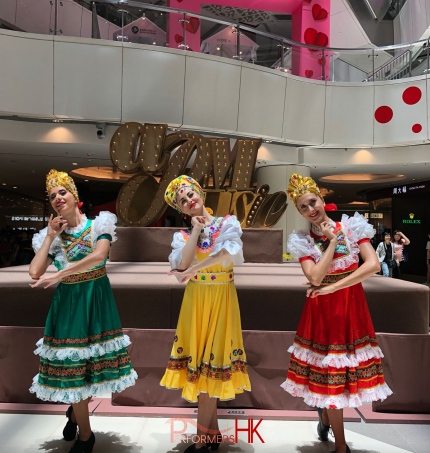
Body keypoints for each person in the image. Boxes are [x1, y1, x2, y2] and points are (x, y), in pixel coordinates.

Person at [281, 174, 392, 453]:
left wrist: (335, 288)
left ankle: (325, 417)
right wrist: (331, 242)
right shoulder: (304, 240)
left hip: (350, 307)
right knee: (328, 373)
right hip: (321, 314)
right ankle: (341, 445)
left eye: (312, 202)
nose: (310, 210)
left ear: (322, 199)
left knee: (344, 374)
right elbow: (316, 277)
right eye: (303, 208)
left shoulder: (352, 227)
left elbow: (372, 265)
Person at [29, 169, 137, 453]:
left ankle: (74, 413)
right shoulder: (49, 235)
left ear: (75, 196)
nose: (57, 198)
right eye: (52, 196)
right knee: (74, 369)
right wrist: (51, 236)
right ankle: (86, 437)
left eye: (62, 192)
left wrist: (60, 273)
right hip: (69, 306)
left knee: (91, 369)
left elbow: (99, 256)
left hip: (97, 301)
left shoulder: (100, 223)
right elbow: (35, 271)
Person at [160, 175, 251, 453]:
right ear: (181, 210)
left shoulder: (228, 223)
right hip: (196, 302)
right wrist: (197, 232)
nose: (189, 201)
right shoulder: (183, 236)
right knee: (200, 367)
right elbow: (183, 265)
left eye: (190, 194)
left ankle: (203, 441)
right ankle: (210, 437)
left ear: (200, 193)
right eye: (183, 201)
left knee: (212, 364)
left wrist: (190, 271)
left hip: (222, 299)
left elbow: (226, 254)